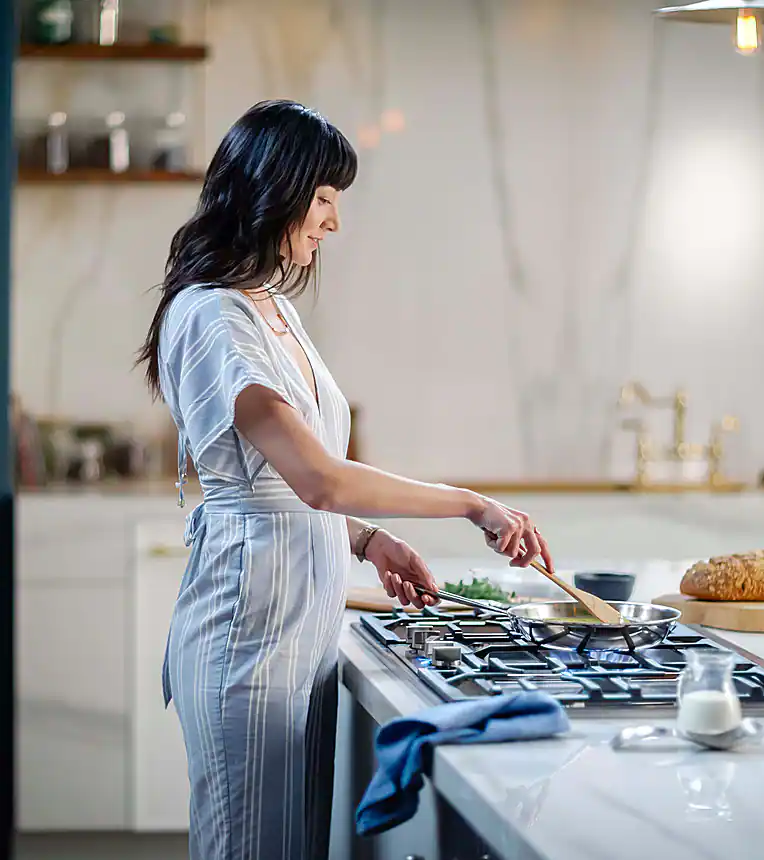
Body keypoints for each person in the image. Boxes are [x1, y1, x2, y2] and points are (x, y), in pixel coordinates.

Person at [136, 99, 554, 860]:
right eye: (323, 198)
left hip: (297, 629)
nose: (333, 221)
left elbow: (295, 483)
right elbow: (319, 479)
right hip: (248, 636)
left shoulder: (271, 307)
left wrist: (366, 540)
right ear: (273, 189)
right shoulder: (212, 316)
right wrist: (472, 504)